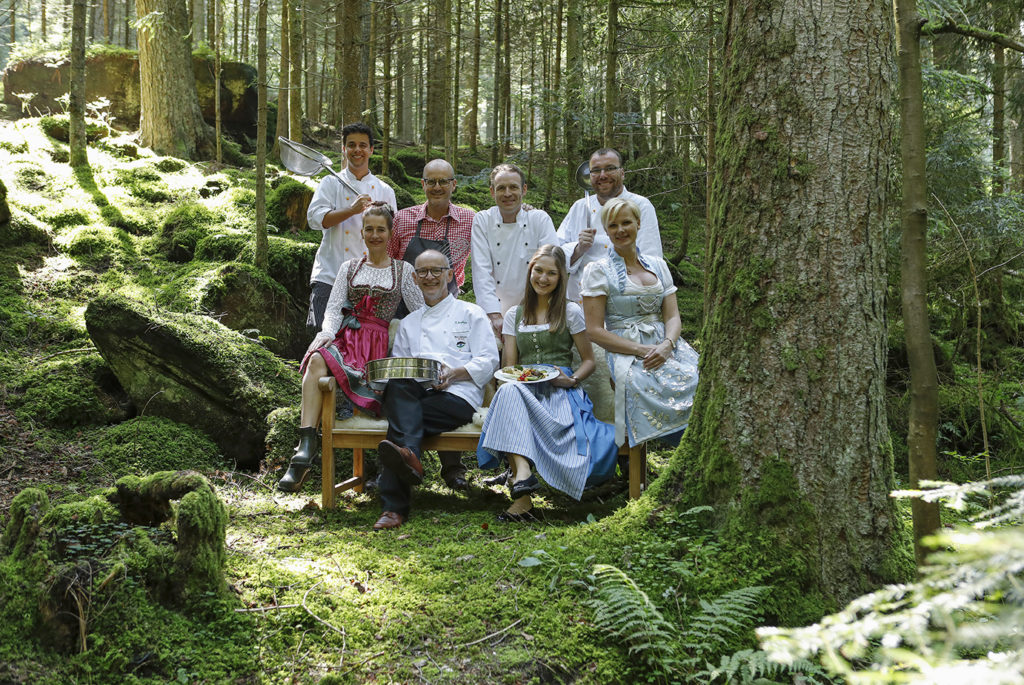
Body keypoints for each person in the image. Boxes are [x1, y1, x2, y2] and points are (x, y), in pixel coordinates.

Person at [278, 203, 424, 493]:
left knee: (326, 362)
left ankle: (315, 443)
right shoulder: (349, 267)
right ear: (362, 232)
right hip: (347, 338)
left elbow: (420, 310)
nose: (374, 234)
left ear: (390, 232)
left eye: (380, 229)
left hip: (376, 348)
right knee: (317, 358)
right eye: (369, 229)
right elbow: (333, 309)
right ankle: (305, 447)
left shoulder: (403, 270)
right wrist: (327, 333)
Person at [476, 245, 617, 521]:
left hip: (559, 391)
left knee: (509, 394)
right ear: (530, 271)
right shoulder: (515, 315)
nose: (543, 278)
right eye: (538, 270)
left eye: (551, 273)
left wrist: (572, 379)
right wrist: (515, 379)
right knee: (510, 389)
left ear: (560, 277)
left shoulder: (570, 312)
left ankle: (522, 488)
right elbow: (509, 367)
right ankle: (524, 480)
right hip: (523, 386)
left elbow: (589, 360)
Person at [372, 250, 499, 530]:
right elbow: (401, 368)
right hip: (417, 394)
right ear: (415, 279)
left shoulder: (471, 313)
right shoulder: (409, 323)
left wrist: (455, 373)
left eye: (436, 271)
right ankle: (410, 456)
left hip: (457, 397)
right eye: (423, 272)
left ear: (450, 275)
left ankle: (394, 507)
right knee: (399, 385)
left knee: (400, 424)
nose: (429, 277)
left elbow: (490, 360)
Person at [581, 197, 698, 447]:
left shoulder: (658, 265)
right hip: (626, 349)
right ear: (606, 230)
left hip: (667, 344)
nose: (621, 230)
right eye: (613, 226)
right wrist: (641, 350)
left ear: (638, 223)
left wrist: (667, 345)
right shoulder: (598, 270)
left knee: (700, 378)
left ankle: (692, 450)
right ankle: (673, 448)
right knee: (641, 384)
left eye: (626, 222)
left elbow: (673, 316)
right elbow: (593, 331)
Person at [306, 122, 397, 333]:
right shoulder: (330, 183)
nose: (358, 150)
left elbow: (390, 238)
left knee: (360, 341)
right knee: (321, 334)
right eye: (352, 145)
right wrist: (352, 209)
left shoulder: (384, 190)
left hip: (369, 280)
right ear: (343, 149)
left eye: (363, 145)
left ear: (371, 150)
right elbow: (316, 220)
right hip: (329, 274)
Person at [558, 148, 664, 301]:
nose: (602, 175)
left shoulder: (641, 206)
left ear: (622, 172)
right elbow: (556, 255)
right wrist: (578, 249)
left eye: (610, 169)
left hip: (623, 301)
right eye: (596, 170)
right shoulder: (580, 207)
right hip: (579, 302)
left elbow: (651, 259)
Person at [470, 163, 560, 337]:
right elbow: (481, 271)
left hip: (537, 309)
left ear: (524, 189)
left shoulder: (539, 219)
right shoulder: (482, 220)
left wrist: (539, 312)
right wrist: (494, 315)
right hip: (494, 310)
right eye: (501, 188)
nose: (508, 193)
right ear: (492, 192)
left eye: (513, 187)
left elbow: (552, 267)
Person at [388, 159, 475, 295]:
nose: (437, 187)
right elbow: (386, 262)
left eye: (443, 181)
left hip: (448, 307)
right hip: (403, 306)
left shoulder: (470, 221)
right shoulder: (402, 218)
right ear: (423, 184)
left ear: (454, 184)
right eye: (431, 182)